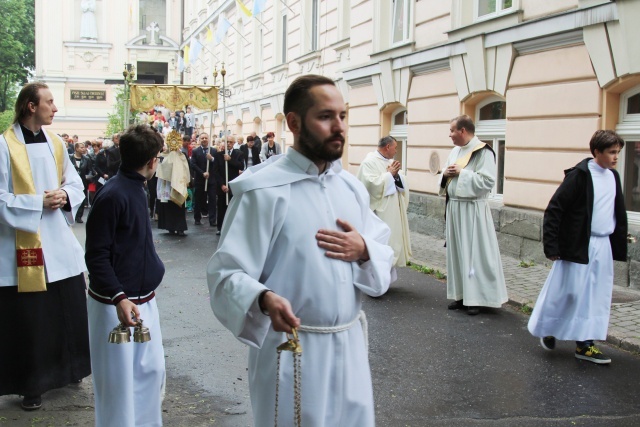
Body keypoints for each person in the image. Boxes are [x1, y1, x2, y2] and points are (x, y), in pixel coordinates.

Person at [207, 74, 395, 426]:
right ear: (293, 123)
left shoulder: (351, 189)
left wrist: (365, 249)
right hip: (291, 352)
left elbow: (383, 252)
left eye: (343, 116)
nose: (339, 127)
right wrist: (263, 299)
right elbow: (225, 274)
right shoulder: (263, 192)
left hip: (349, 345)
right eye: (326, 117)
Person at [0, 82, 90, 411]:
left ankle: (70, 369)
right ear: (30, 107)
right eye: (49, 102)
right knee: (32, 319)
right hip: (22, 245)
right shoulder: (4, 145)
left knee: (67, 309)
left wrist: (66, 196)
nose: (55, 107)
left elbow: (74, 181)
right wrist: (38, 202)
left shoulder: (56, 143)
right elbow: (0, 198)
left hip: (58, 242)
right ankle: (31, 384)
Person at [85, 124, 166, 426]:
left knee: (149, 375)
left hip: (143, 301)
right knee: (118, 388)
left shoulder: (135, 187)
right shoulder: (113, 195)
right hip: (114, 306)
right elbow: (96, 255)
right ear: (152, 162)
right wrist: (119, 297)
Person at [528, 130, 627, 364]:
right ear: (596, 152)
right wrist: (551, 245)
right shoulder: (580, 176)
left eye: (618, 153)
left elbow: (616, 211)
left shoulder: (613, 177)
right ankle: (548, 328)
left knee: (596, 295)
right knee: (568, 292)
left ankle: (585, 344)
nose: (616, 157)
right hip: (578, 244)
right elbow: (555, 209)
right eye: (612, 152)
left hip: (602, 245)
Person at [438, 115, 508, 316]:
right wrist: (445, 174)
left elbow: (487, 182)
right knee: (458, 254)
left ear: (462, 131)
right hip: (455, 209)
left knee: (473, 254)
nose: (449, 135)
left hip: (472, 211)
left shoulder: (483, 152)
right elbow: (446, 175)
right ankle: (461, 295)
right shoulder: (455, 151)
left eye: (452, 130)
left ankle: (476, 298)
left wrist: (462, 172)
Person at [357, 135, 411, 268]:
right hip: (380, 213)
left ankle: (387, 276)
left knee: (392, 241)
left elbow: (401, 181)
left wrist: (396, 176)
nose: (396, 151)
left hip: (393, 211)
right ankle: (377, 277)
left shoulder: (390, 162)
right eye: (395, 147)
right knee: (382, 243)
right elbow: (369, 185)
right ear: (388, 147)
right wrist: (389, 175)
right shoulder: (369, 162)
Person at [156, 131, 190, 236]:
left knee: (179, 207)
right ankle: (170, 226)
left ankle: (180, 227)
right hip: (167, 185)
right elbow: (161, 169)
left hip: (179, 184)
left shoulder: (182, 155)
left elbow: (186, 168)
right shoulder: (163, 155)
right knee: (169, 207)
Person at [213, 135, 244, 235]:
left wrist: (230, 160)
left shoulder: (238, 153)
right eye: (227, 142)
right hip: (222, 186)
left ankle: (232, 227)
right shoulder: (218, 155)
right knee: (221, 207)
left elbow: (241, 166)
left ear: (234, 143)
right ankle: (220, 227)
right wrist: (222, 185)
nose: (229, 144)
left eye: (231, 142)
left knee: (233, 207)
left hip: (233, 185)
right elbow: (215, 171)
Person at [190, 132, 217, 226]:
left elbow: (218, 164)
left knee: (212, 199)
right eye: (202, 138)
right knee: (198, 199)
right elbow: (193, 164)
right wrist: (202, 173)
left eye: (206, 138)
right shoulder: (195, 151)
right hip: (199, 180)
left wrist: (212, 159)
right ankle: (197, 218)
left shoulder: (213, 151)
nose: (204, 140)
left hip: (211, 180)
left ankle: (212, 219)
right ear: (199, 140)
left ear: (208, 139)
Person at [70, 141, 91, 223]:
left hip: (83, 182)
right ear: (76, 148)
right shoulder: (70, 157)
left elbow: (90, 170)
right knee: (71, 198)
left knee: (81, 198)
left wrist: (88, 176)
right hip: (72, 182)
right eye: (81, 147)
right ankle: (71, 214)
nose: (84, 149)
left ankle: (79, 216)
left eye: (84, 147)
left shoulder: (86, 159)